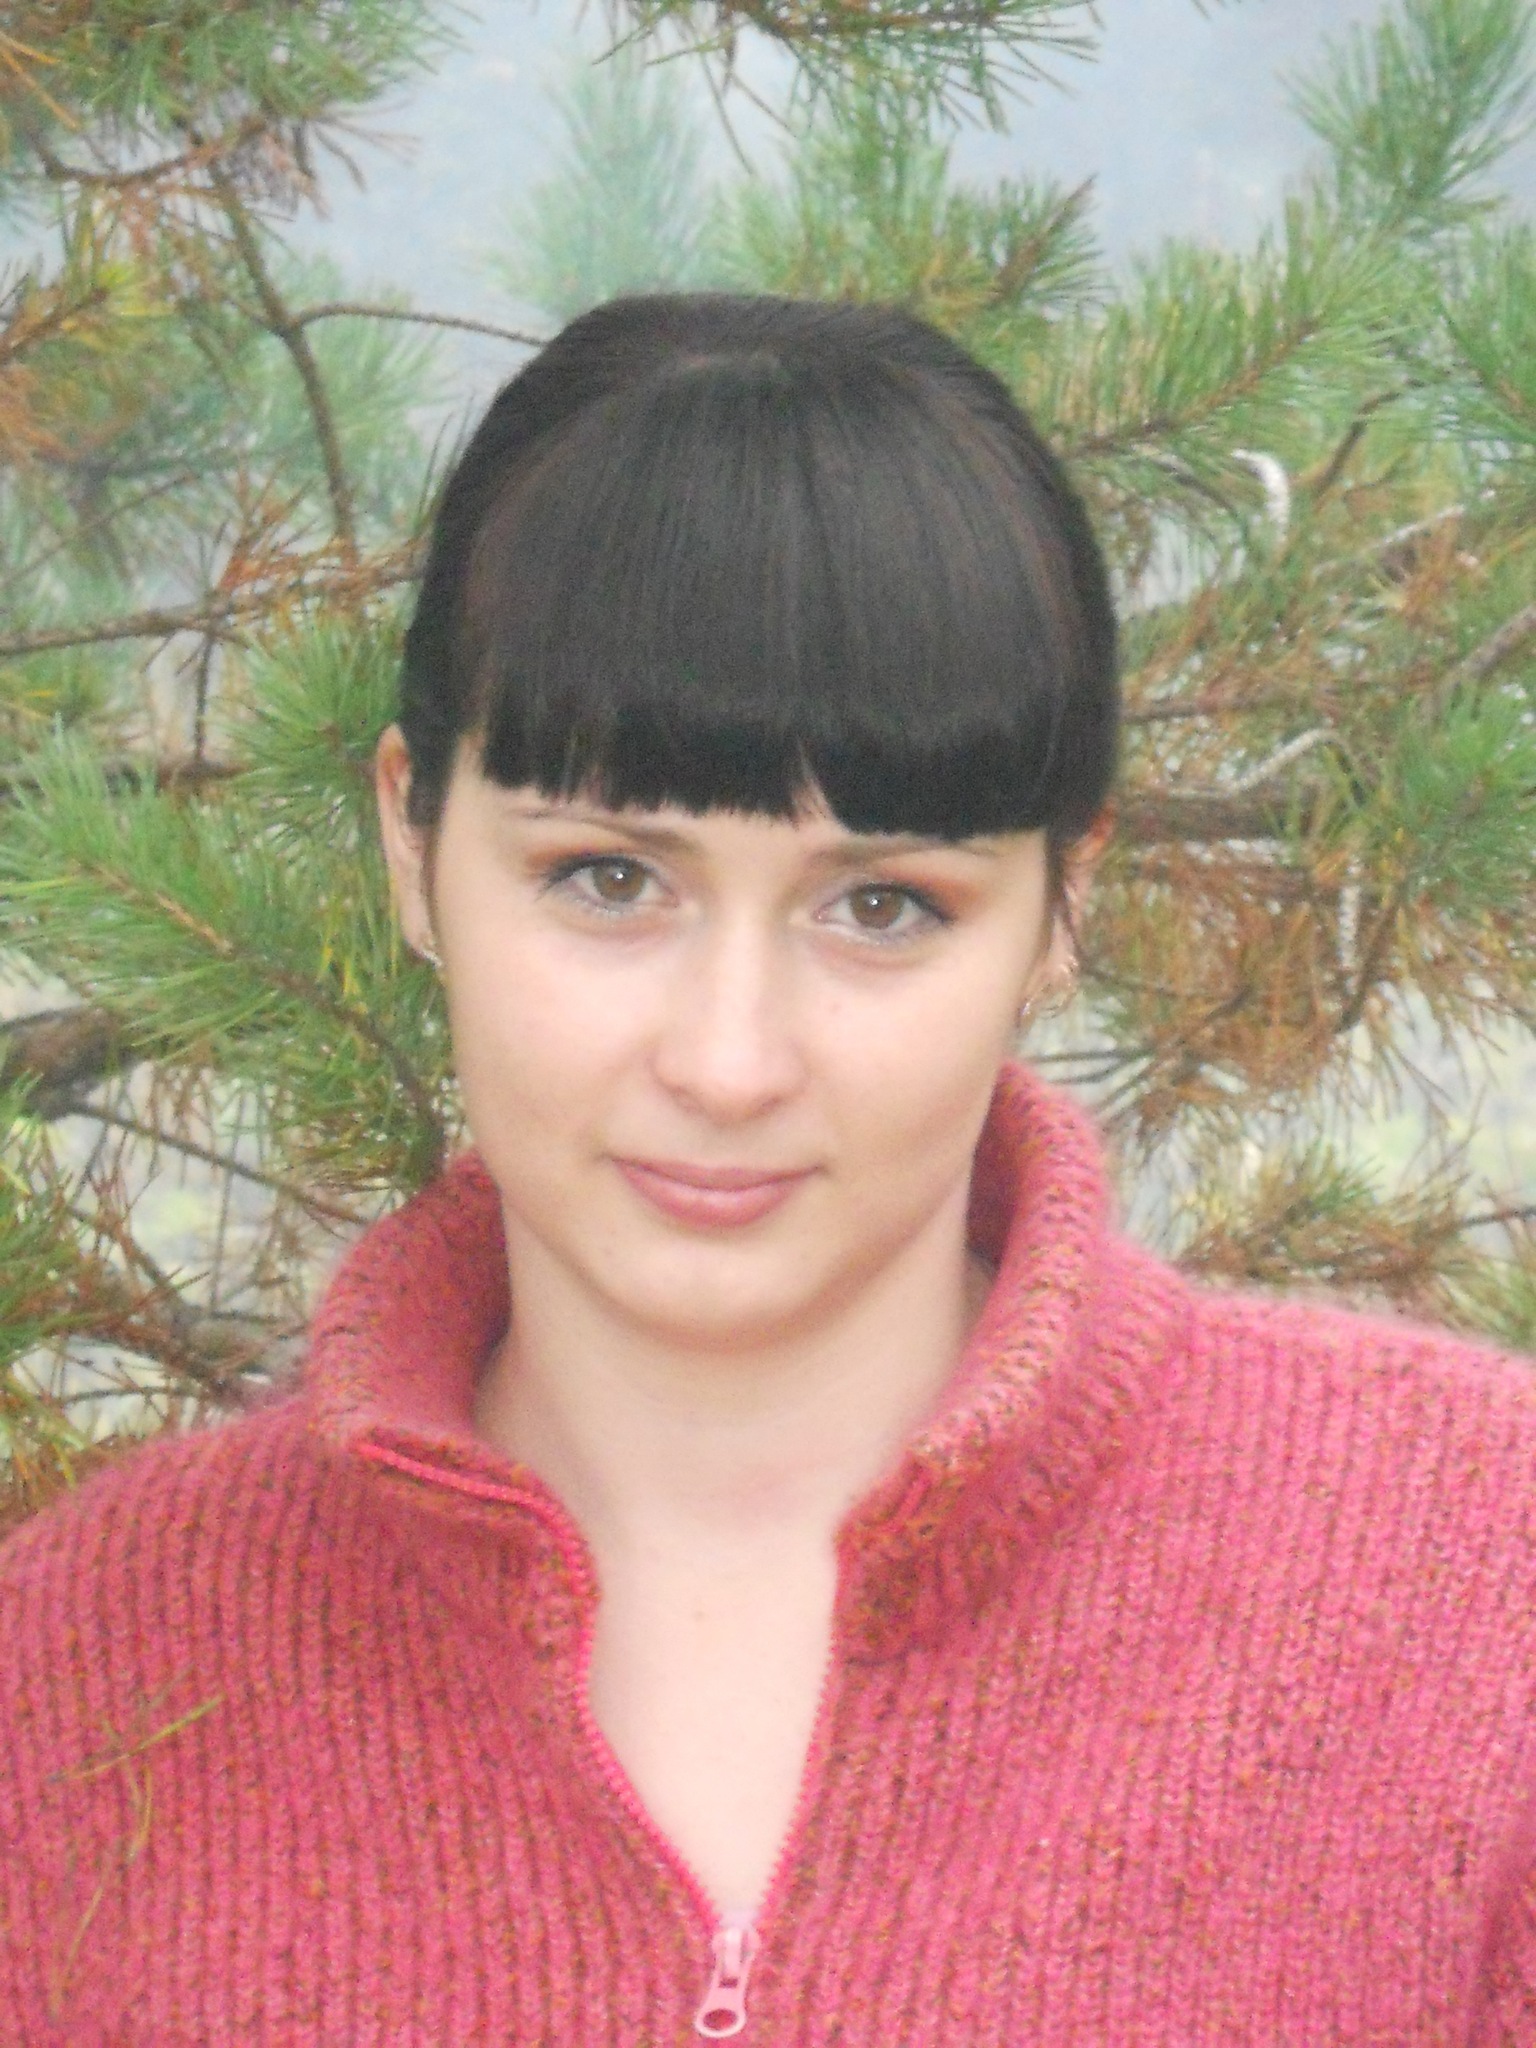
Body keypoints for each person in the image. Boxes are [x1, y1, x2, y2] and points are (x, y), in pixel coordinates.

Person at [2, 291, 1535, 2047]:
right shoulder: (67, 1682)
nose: (729, 1061)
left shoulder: (1488, 1592)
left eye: (883, 906)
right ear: (412, 848)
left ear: (1066, 906)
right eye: (606, 880)